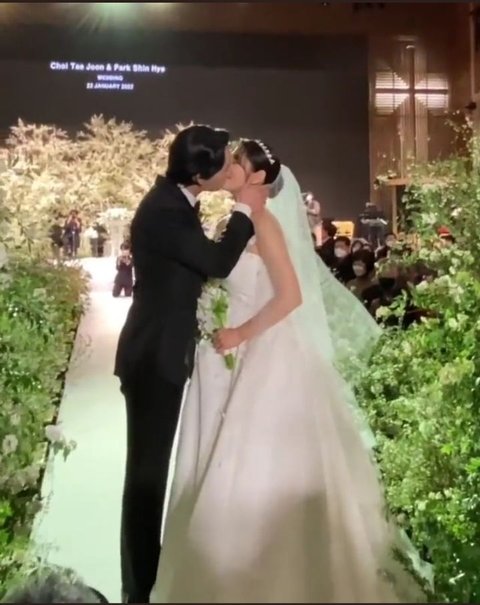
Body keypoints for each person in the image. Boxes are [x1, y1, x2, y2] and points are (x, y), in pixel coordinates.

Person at [151, 142, 420, 603]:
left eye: (237, 162)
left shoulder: (266, 224)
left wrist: (240, 332)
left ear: (257, 177)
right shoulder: (234, 224)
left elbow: (290, 296)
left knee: (254, 463)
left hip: (265, 353)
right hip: (231, 354)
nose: (228, 167)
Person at [114, 125, 267, 604]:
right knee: (147, 477)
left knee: (150, 474)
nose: (230, 168)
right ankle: (138, 589)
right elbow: (217, 263)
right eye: (224, 162)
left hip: (162, 352)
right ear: (200, 174)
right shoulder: (164, 211)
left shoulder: (176, 201)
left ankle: (144, 578)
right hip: (153, 357)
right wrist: (245, 210)